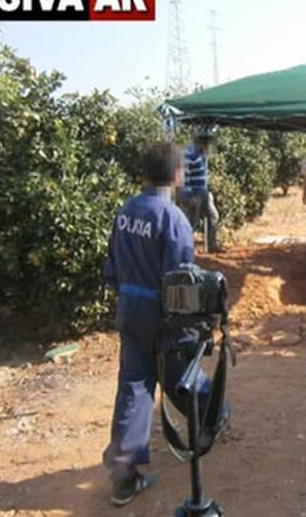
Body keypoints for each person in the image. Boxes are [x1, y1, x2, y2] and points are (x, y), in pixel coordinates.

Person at [101, 142, 199, 507]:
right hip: (160, 313)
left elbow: (111, 265)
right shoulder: (173, 219)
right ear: (177, 175)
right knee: (181, 371)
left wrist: (128, 296)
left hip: (129, 307)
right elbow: (180, 283)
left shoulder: (126, 210)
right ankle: (212, 415)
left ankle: (124, 478)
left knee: (135, 386)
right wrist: (189, 326)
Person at [178, 130, 221, 253]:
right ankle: (183, 250)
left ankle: (212, 246)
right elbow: (184, 178)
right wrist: (189, 197)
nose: (208, 147)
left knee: (213, 216)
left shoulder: (200, 154)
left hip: (202, 192)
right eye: (206, 144)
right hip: (193, 194)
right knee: (190, 223)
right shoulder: (189, 154)